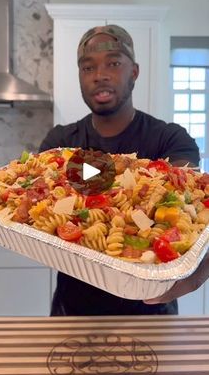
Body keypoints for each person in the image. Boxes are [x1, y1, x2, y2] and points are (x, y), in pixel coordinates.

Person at [39, 24, 206, 316]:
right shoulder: (60, 141)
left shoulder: (170, 139)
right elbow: (46, 194)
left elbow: (187, 201)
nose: (99, 75)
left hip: (152, 312)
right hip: (73, 313)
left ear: (134, 72)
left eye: (113, 63)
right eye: (87, 68)